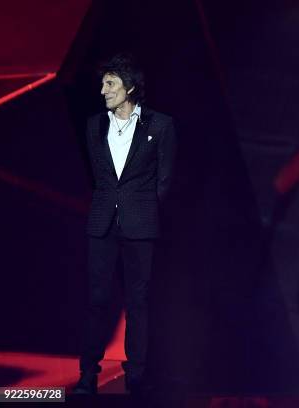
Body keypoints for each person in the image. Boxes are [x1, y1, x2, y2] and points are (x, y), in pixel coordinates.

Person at [73, 54, 176, 395]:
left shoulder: (159, 125)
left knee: (138, 302)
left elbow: (165, 179)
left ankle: (137, 376)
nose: (103, 90)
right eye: (103, 83)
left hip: (140, 225)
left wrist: (141, 208)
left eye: (111, 84)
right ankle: (88, 375)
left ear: (129, 87)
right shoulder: (94, 125)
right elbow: (97, 175)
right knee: (96, 300)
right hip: (102, 224)